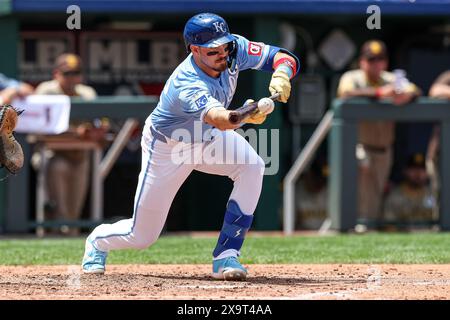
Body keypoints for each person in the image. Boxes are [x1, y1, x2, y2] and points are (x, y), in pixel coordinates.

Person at [81, 13, 299, 280]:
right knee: (142, 236)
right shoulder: (186, 81)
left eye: (225, 46)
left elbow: (283, 56)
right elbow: (221, 120)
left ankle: (226, 255)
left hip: (206, 137)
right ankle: (98, 241)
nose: (223, 54)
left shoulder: (234, 49)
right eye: (212, 50)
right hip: (169, 147)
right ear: (194, 50)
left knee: (252, 165)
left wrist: (282, 74)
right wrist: (247, 113)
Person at [336, 40, 421, 229]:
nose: (376, 64)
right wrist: (380, 93)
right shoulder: (353, 77)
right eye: (371, 59)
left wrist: (407, 95)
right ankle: (354, 225)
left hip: (384, 150)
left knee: (375, 194)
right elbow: (345, 93)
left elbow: (415, 90)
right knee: (361, 185)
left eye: (380, 59)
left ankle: (368, 227)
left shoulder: (391, 79)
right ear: (362, 61)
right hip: (360, 145)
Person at [34, 53, 98, 235]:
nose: (72, 78)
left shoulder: (87, 93)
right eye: (67, 73)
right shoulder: (46, 91)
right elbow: (40, 127)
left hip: (79, 154)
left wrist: (96, 130)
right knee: (59, 169)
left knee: (74, 209)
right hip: (51, 154)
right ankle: (60, 228)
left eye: (76, 73)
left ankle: (70, 231)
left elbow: (99, 122)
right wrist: (76, 132)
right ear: (56, 74)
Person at [383, 153, 436, 229]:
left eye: (422, 169)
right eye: (414, 169)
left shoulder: (432, 195)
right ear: (405, 171)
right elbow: (389, 226)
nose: (418, 174)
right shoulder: (394, 196)